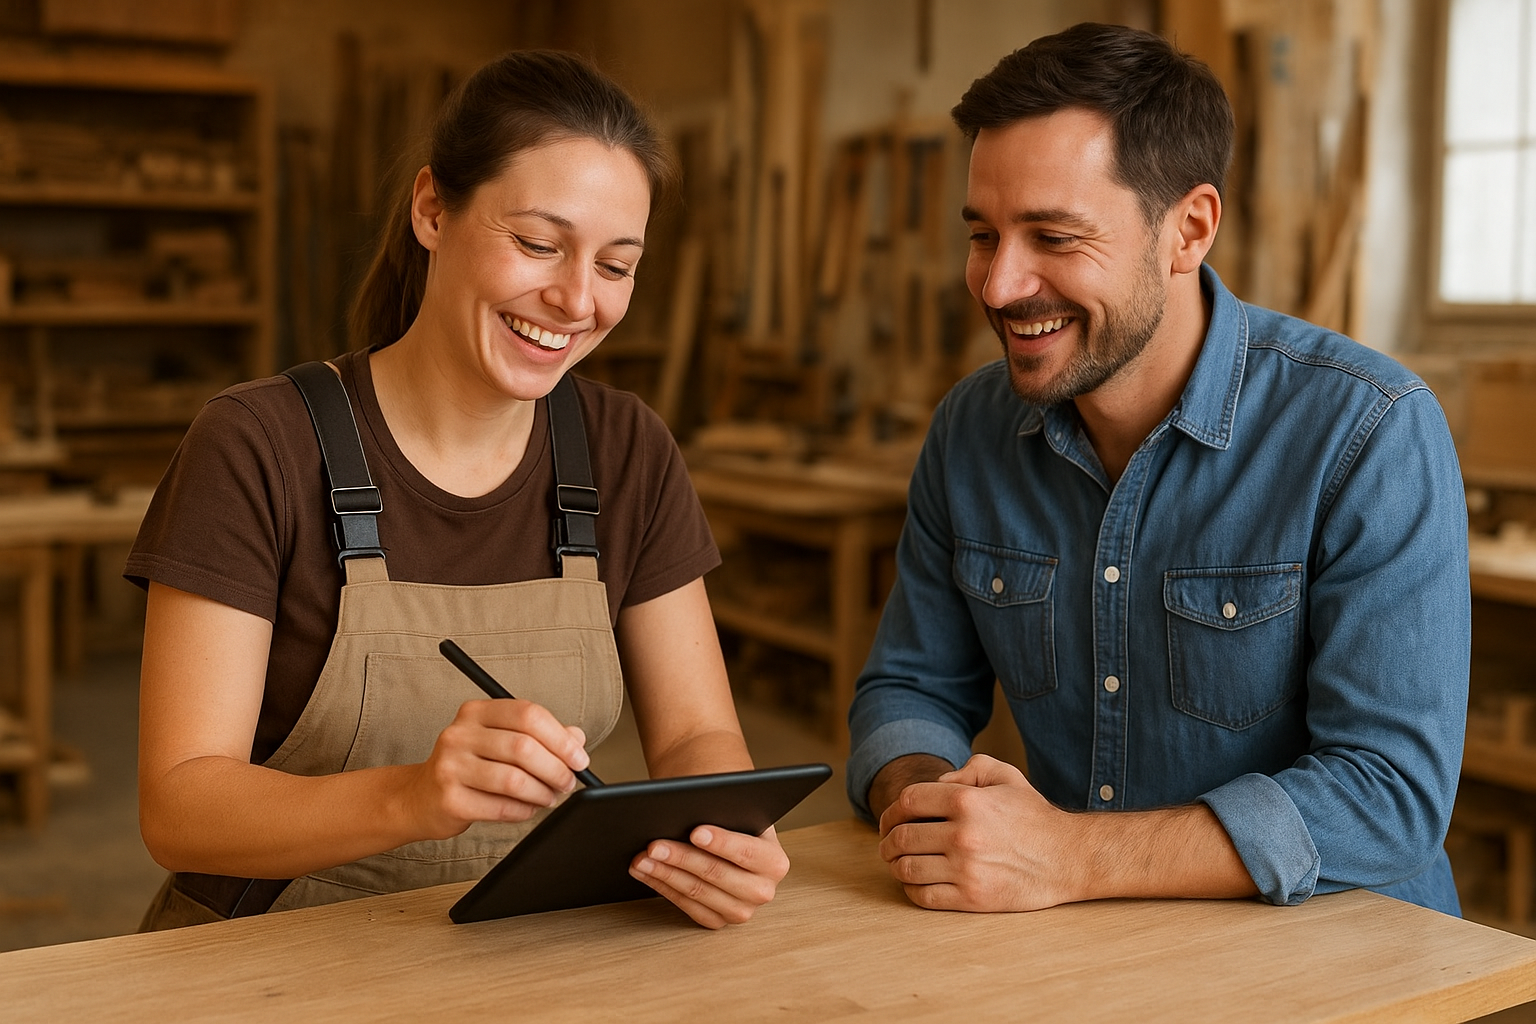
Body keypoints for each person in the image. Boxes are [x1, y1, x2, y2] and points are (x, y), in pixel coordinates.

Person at [127, 49, 787, 931]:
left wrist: (723, 832)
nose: (575, 300)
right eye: (538, 245)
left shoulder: (628, 449)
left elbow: (695, 735)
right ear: (432, 210)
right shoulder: (256, 446)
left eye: (615, 265)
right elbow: (179, 807)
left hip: (512, 951)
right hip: (261, 961)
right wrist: (413, 797)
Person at [846, 22, 1469, 915]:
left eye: (1054, 237)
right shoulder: (969, 432)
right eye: (984, 235)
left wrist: (1070, 857)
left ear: (1189, 230)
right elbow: (910, 688)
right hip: (1089, 943)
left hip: (1344, 956)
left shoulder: (1369, 431)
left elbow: (1389, 797)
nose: (998, 284)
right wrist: (930, 804)